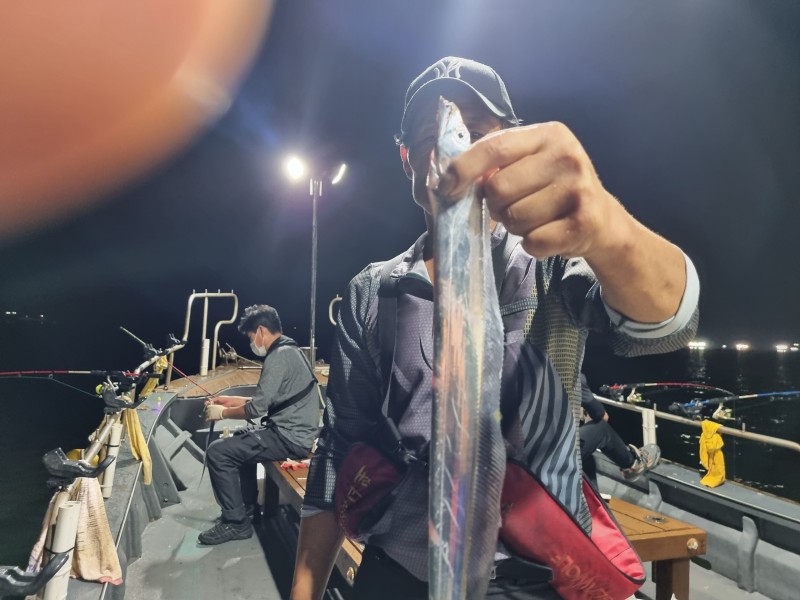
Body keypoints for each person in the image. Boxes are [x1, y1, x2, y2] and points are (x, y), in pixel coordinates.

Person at [291, 57, 700, 600]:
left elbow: (667, 327)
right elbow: (339, 446)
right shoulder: (373, 290)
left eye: (476, 134)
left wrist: (608, 227)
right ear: (407, 158)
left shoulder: (550, 260)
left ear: (511, 147)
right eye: (429, 137)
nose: (449, 153)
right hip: (402, 572)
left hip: (540, 580)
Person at [198, 304, 320, 545]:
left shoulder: (278, 356)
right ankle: (247, 508)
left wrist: (221, 413)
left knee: (218, 452)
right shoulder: (290, 350)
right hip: (292, 431)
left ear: (262, 330)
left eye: (251, 336)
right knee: (241, 438)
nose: (252, 343)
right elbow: (267, 401)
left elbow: (256, 409)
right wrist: (227, 400)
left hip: (290, 438)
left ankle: (236, 523)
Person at [578, 373, 660, 487]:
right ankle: (634, 465)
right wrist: (597, 412)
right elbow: (600, 414)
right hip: (558, 452)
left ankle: (588, 496)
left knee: (586, 461)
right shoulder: (564, 367)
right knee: (602, 429)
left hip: (552, 447)